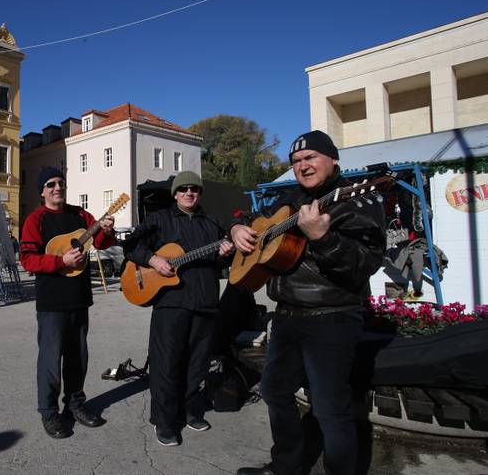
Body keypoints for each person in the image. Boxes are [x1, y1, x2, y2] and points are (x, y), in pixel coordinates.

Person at [232, 131, 385, 475]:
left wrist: (323, 237)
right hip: (286, 316)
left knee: (330, 408)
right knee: (274, 392)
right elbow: (255, 220)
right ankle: (286, 466)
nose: (303, 165)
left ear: (333, 160)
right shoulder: (290, 198)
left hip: (332, 318)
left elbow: (364, 264)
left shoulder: (358, 199)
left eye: (311, 157)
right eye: (297, 161)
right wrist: (237, 229)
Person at [123, 171, 234, 447]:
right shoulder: (159, 220)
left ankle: (188, 411)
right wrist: (153, 259)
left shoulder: (213, 223)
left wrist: (225, 256)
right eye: (183, 189)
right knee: (166, 365)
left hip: (206, 302)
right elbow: (130, 245)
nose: (188, 193)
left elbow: (219, 267)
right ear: (174, 193)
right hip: (171, 304)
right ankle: (164, 420)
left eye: (194, 189)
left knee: (197, 365)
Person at [20, 166, 116, 439]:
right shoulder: (35, 220)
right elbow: (27, 259)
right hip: (51, 303)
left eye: (61, 182)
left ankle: (75, 406)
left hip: (79, 299)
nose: (57, 188)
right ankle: (49, 413)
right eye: (50, 184)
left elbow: (102, 242)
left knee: (78, 358)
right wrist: (61, 261)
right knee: (50, 362)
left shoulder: (82, 215)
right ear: (42, 190)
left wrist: (107, 229)